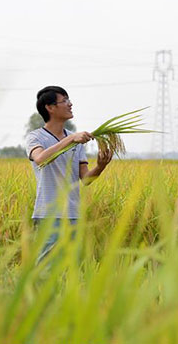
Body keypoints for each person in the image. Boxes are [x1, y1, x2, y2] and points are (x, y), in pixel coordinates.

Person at [25, 86, 113, 261]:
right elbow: (41, 159)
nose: (70, 104)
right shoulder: (35, 137)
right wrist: (70, 139)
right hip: (49, 214)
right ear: (49, 107)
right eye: (64, 101)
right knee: (46, 266)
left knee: (69, 267)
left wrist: (101, 166)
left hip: (73, 213)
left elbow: (86, 179)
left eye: (69, 100)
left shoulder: (76, 140)